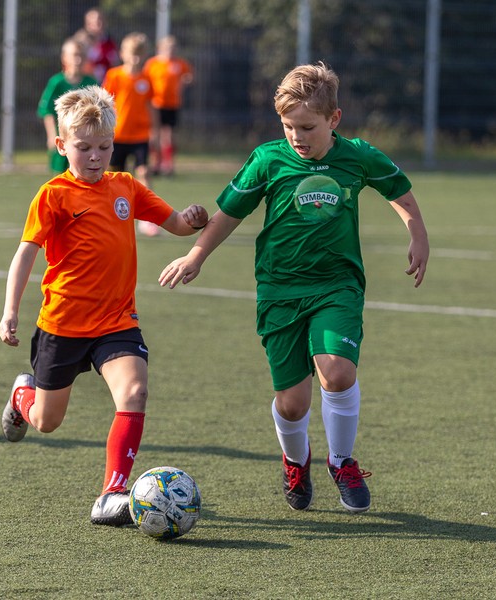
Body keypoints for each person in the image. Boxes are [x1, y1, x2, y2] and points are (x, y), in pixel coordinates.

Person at [159, 62, 429, 514]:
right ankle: (295, 459)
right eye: (288, 127)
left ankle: (341, 462)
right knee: (292, 403)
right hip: (279, 290)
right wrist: (196, 254)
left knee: (337, 371)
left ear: (334, 120)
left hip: (336, 285)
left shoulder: (358, 156)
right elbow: (229, 213)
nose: (297, 137)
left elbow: (397, 190)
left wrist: (417, 233)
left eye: (307, 127)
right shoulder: (267, 160)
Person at [0, 85, 208, 527]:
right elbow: (25, 254)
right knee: (46, 421)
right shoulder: (53, 195)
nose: (96, 156)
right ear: (61, 146)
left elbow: (174, 224)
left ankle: (111, 493)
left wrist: (193, 219)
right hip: (62, 325)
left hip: (116, 322)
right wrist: (10, 311)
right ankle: (23, 394)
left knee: (135, 391)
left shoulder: (126, 187)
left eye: (104, 147)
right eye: (84, 147)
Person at [102, 32, 158, 236]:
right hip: (117, 136)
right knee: (115, 177)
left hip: (140, 136)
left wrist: (156, 132)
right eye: (132, 53)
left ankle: (148, 219)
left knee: (144, 172)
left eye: (139, 54)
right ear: (123, 53)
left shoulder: (146, 79)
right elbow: (105, 103)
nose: (135, 58)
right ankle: (109, 214)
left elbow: (152, 107)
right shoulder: (114, 76)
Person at [38, 37, 98, 175]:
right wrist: (51, 135)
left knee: (83, 174)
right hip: (63, 138)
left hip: (84, 140)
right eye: (74, 55)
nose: (78, 60)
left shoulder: (91, 83)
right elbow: (47, 111)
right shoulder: (56, 82)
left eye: (81, 56)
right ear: (64, 58)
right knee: (60, 176)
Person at [144, 35, 194, 176]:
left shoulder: (179, 63)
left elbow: (189, 76)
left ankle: (169, 165)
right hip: (155, 103)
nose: (170, 51)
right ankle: (156, 163)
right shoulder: (153, 64)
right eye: (167, 48)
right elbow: (144, 79)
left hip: (173, 104)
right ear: (160, 49)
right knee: (154, 134)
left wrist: (185, 81)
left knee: (169, 135)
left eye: (172, 48)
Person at [73, 7, 119, 84]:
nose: (99, 25)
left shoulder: (109, 42)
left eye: (101, 21)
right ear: (87, 24)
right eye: (96, 22)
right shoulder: (80, 42)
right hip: (85, 84)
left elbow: (115, 63)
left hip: (105, 83)